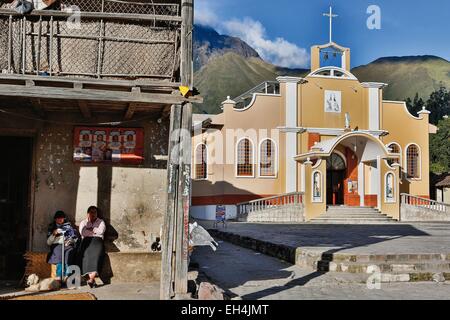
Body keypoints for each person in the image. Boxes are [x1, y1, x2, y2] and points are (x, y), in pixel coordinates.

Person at [46, 211, 79, 282]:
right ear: (55, 219)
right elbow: (48, 242)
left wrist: (70, 241)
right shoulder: (52, 227)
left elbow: (74, 238)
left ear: (64, 218)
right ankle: (59, 276)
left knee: (69, 253)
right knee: (59, 254)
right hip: (57, 244)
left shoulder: (69, 226)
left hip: (67, 244)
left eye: (62, 218)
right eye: (58, 218)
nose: (60, 219)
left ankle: (67, 276)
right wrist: (54, 234)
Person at [78, 206, 106, 288]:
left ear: (97, 214)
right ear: (88, 214)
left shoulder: (101, 222)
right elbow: (83, 233)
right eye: (91, 212)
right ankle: (91, 280)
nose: (93, 214)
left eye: (95, 212)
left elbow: (101, 231)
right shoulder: (83, 222)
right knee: (85, 255)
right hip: (86, 241)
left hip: (97, 241)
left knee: (96, 255)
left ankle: (91, 279)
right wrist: (94, 230)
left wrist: (91, 229)